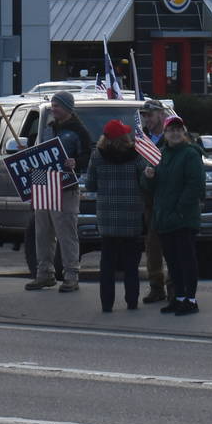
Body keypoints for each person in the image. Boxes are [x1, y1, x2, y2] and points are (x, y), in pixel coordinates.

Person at [26, 91, 93, 293]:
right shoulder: (47, 129)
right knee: (42, 232)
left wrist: (77, 163)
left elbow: (88, 157)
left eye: (58, 105)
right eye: (53, 105)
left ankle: (71, 275)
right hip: (43, 184)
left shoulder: (78, 131)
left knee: (66, 232)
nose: (53, 109)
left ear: (68, 108)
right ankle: (44, 273)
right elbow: (38, 152)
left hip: (65, 186)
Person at [87, 119, 148, 313]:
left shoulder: (97, 156)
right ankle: (132, 301)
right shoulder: (137, 155)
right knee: (131, 264)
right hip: (131, 215)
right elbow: (144, 182)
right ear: (124, 136)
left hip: (107, 217)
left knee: (107, 264)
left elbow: (90, 185)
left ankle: (107, 304)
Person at [150, 115, 206, 315]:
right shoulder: (161, 154)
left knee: (186, 260)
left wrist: (180, 210)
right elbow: (152, 187)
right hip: (164, 218)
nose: (174, 133)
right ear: (164, 134)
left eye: (178, 130)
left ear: (184, 133)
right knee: (173, 262)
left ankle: (191, 299)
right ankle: (178, 297)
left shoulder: (190, 154)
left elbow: (196, 185)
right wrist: (148, 177)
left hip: (183, 218)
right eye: (170, 130)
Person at [137, 101, 171, 304]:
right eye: (144, 115)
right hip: (150, 202)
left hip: (171, 201)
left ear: (161, 115)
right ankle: (156, 287)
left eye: (150, 115)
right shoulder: (141, 140)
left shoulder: (175, 135)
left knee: (174, 248)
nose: (147, 119)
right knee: (153, 248)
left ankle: (176, 288)